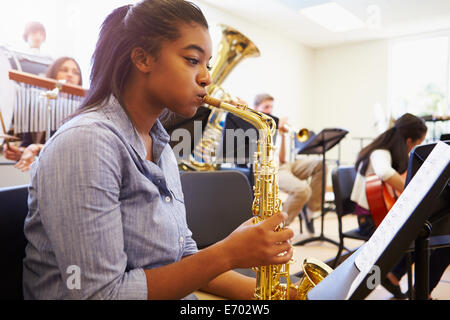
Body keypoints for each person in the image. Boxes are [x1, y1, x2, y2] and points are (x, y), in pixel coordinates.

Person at [22, 0, 296, 300]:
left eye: (208, 65)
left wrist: (282, 294)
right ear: (142, 59)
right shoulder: (85, 143)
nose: (207, 78)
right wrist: (228, 253)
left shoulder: (161, 145)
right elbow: (100, 295)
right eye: (193, 60)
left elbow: (182, 256)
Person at [350, 113, 430, 299]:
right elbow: (384, 172)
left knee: (423, 231)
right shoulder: (380, 152)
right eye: (418, 144)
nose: (416, 148)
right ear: (409, 141)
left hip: (380, 215)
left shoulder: (393, 153)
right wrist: (412, 192)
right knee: (415, 234)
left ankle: (393, 275)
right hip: (369, 220)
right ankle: (389, 274)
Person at [253, 93, 324, 234]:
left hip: (285, 165)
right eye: (266, 107)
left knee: (319, 163)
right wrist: (276, 128)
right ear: (256, 107)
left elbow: (283, 158)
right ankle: (278, 229)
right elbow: (260, 157)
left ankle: (311, 210)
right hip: (270, 169)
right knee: (302, 190)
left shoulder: (272, 125)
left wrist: (283, 136)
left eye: (271, 107)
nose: (270, 110)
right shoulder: (254, 124)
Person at [2, 56, 83, 171]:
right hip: (45, 173)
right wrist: (20, 153)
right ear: (53, 73)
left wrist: (38, 148)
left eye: (76, 73)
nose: (70, 75)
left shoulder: (83, 111)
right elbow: (27, 145)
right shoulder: (36, 106)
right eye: (64, 70)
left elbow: (75, 149)